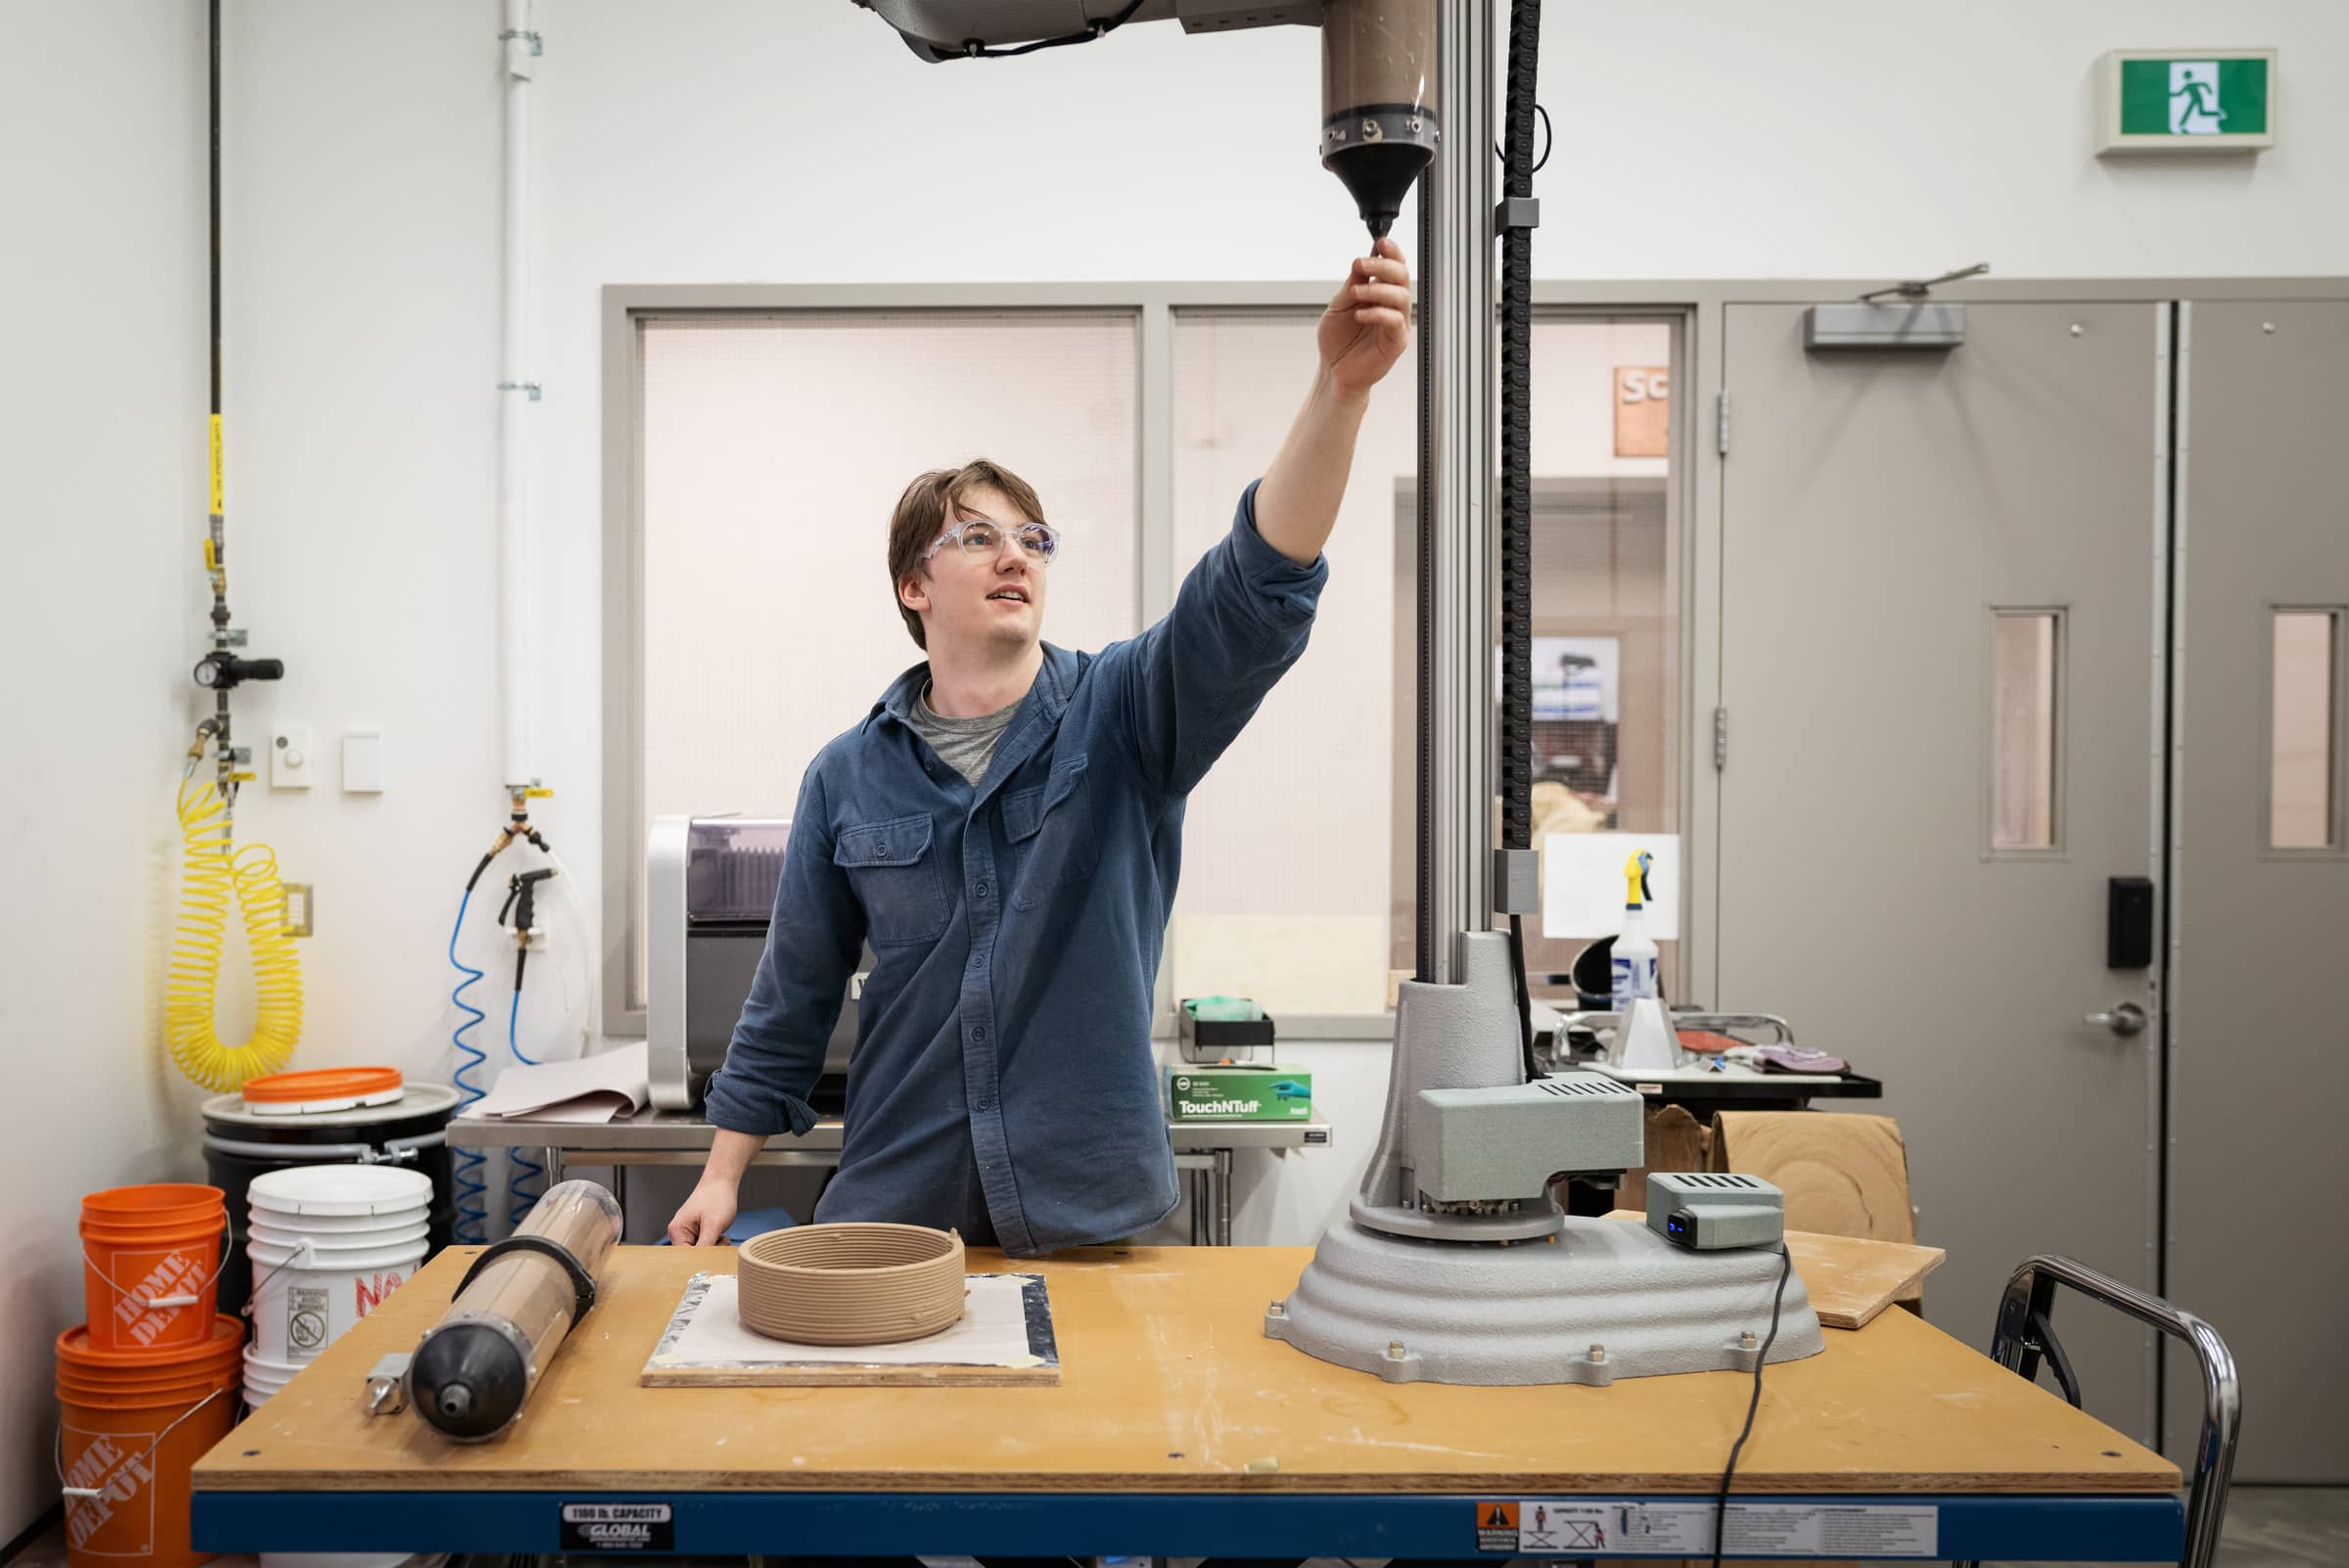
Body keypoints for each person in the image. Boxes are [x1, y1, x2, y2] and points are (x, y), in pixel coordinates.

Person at [667, 240, 1413, 1253]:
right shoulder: (847, 775)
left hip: (1088, 1213)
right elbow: (791, 993)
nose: (1016, 553)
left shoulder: (1124, 714)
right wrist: (721, 1176)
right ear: (913, 586)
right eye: (977, 537)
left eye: (1032, 539)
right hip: (898, 1205)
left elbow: (1251, 590)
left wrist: (1340, 393)